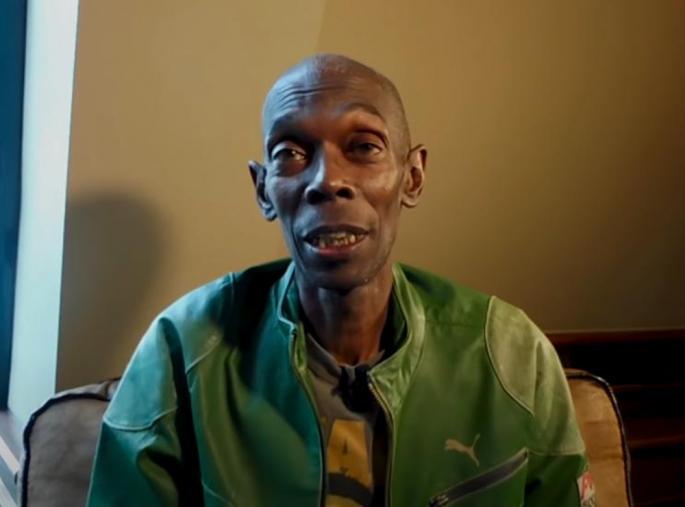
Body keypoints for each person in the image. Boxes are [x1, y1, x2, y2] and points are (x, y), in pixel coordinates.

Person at [87, 54, 594, 507]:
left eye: (364, 146)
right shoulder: (183, 348)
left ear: (412, 176)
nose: (327, 181)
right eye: (290, 153)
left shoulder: (510, 353)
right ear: (263, 190)